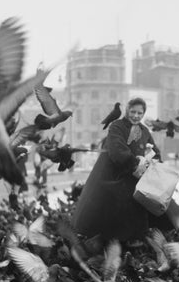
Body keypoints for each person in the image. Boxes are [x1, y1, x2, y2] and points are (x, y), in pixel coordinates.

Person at [73, 98, 171, 242]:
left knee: (143, 206)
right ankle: (112, 241)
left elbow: (155, 151)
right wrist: (134, 163)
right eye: (133, 112)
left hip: (137, 177)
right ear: (127, 111)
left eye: (139, 113)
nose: (136, 116)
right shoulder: (117, 126)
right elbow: (117, 149)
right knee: (113, 213)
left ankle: (136, 239)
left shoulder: (144, 131)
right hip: (115, 175)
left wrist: (155, 161)